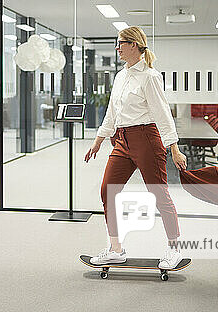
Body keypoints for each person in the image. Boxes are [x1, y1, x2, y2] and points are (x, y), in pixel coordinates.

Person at [84, 26, 187, 269]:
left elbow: (163, 115)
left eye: (121, 43)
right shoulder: (121, 76)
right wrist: (99, 140)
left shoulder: (150, 76)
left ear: (134, 45)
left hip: (146, 139)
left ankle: (175, 250)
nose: (117, 48)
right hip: (121, 141)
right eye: (117, 43)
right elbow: (112, 111)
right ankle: (116, 249)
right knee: (107, 191)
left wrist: (174, 148)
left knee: (159, 194)